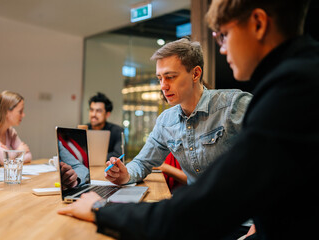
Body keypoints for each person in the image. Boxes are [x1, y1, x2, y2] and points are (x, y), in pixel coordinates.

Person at [58, 0, 319, 239]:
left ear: (259, 24)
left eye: (224, 35)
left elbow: (216, 200)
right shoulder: (297, 76)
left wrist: (99, 209)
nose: (222, 47)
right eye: (160, 79)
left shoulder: (269, 96)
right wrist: (125, 173)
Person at [105, 38, 252, 186]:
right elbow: (142, 162)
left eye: (170, 77)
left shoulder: (233, 105)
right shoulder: (166, 121)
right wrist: (124, 174)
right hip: (197, 202)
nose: (163, 86)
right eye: (159, 79)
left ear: (195, 74)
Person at [86, 92, 124, 161]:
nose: (93, 114)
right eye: (91, 110)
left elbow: (118, 155)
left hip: (106, 169)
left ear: (107, 114)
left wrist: (90, 157)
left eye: (98, 111)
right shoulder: (83, 130)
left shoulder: (117, 131)